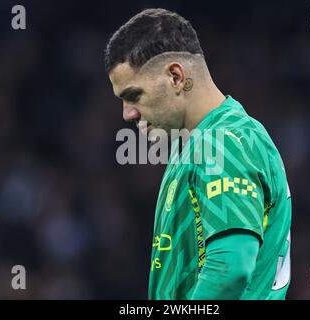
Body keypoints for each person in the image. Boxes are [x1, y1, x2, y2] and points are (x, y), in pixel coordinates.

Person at [105, 8, 292, 299]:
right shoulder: (198, 146)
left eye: (134, 95)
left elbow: (229, 270)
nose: (128, 114)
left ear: (176, 77)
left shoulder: (224, 142)